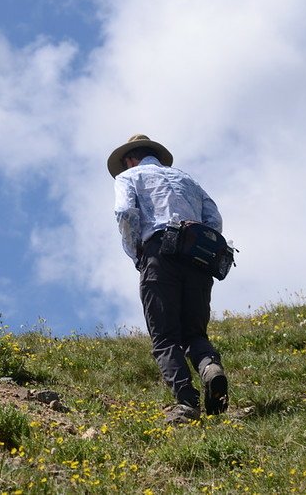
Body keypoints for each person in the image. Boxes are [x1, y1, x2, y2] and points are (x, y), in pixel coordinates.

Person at [108, 134, 228, 423]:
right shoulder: (187, 179)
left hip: (159, 254)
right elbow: (214, 220)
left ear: (129, 159)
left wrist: (136, 250)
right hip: (198, 258)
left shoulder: (129, 176)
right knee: (195, 334)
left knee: (164, 336)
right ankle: (210, 369)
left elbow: (125, 212)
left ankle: (187, 402)